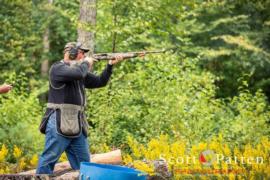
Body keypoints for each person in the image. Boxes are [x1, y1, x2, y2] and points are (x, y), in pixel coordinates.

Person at [36, 42, 125, 174]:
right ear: (70, 53)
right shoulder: (58, 68)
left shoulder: (79, 71)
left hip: (77, 123)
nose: (84, 55)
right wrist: (87, 63)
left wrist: (110, 66)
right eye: (81, 52)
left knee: (85, 164)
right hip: (59, 120)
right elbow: (78, 73)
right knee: (49, 158)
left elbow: (100, 82)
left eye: (84, 53)